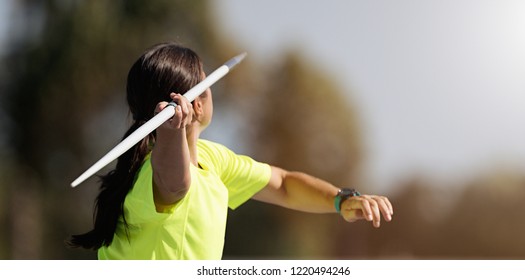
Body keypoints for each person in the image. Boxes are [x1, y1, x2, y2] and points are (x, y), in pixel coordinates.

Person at [68, 43, 394, 260]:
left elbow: (282, 184)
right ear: (195, 103)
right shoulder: (152, 172)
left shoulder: (213, 161)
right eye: (206, 83)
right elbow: (175, 185)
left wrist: (342, 200)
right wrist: (171, 133)